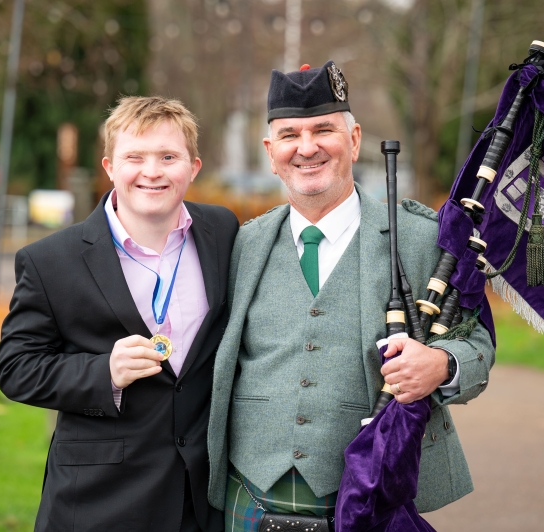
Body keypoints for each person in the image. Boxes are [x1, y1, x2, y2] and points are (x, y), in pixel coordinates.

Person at [207, 61, 496, 531]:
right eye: (289, 135)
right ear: (270, 150)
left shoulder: (421, 240)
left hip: (368, 502)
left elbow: (479, 344)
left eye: (324, 129)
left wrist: (442, 365)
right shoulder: (242, 245)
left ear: (355, 139)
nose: (306, 148)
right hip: (248, 498)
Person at [0, 96, 238, 532]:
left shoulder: (224, 231)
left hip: (200, 501)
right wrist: (103, 372)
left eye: (168, 156)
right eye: (135, 157)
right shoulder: (51, 260)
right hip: (98, 500)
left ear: (194, 166)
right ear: (109, 167)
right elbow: (16, 368)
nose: (152, 171)